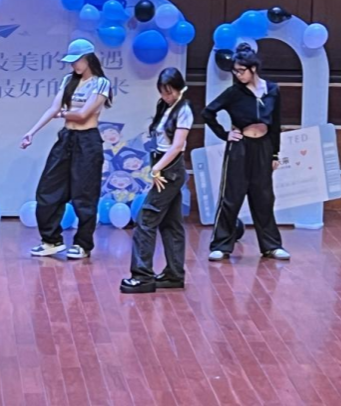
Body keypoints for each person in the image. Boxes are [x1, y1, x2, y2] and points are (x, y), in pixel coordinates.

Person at [21, 38, 112, 259]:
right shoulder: (68, 81)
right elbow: (53, 108)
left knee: (84, 194)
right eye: (71, 61)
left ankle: (83, 245)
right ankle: (51, 240)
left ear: (88, 58)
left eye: (77, 60)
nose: (74, 65)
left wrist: (63, 113)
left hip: (88, 141)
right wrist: (32, 132)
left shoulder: (101, 83)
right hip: (66, 138)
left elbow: (83, 114)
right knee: (48, 189)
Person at [204, 43, 289, 261]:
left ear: (253, 68)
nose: (238, 75)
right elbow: (208, 112)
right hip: (240, 147)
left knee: (264, 197)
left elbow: (276, 124)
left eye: (241, 70)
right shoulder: (234, 92)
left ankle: (271, 245)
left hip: (264, 147)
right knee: (231, 196)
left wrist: (275, 153)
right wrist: (225, 134)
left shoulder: (272, 90)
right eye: (235, 71)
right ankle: (221, 245)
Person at [121, 68, 193, 293]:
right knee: (171, 223)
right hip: (162, 165)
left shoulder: (184, 110)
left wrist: (157, 169)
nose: (165, 96)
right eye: (162, 91)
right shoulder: (164, 106)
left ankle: (142, 276)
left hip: (169, 169)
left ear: (180, 88)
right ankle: (174, 274)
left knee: (146, 219)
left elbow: (177, 146)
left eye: (169, 92)